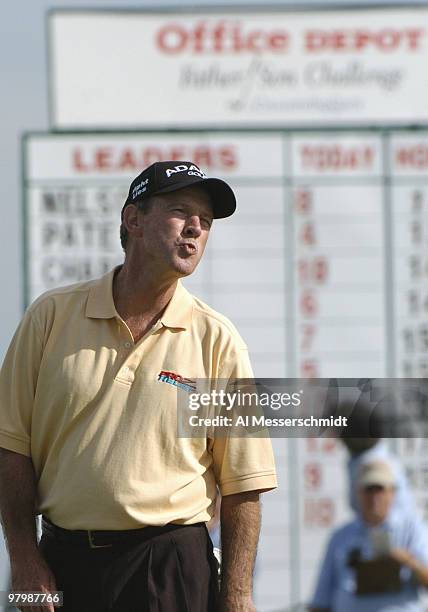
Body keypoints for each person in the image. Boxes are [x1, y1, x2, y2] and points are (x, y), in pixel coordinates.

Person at [0, 161, 277, 612]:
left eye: (205, 222)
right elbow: (11, 447)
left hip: (170, 565)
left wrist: (238, 597)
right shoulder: (50, 317)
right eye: (180, 211)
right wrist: (24, 560)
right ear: (133, 220)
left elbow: (244, 484)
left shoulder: (218, 339)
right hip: (59, 562)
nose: (194, 229)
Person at [309, 460, 428, 612]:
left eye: (379, 489)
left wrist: (407, 560)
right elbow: (320, 602)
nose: (374, 496)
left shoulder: (411, 529)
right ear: (358, 493)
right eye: (368, 489)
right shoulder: (340, 537)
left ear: (392, 493)